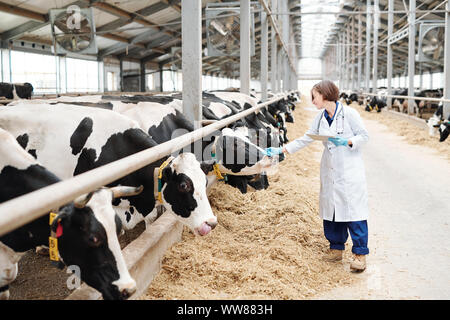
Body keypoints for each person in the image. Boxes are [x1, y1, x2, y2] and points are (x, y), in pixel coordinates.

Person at [265, 80, 370, 272]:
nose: (312, 100)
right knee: (331, 210)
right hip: (329, 167)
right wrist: (283, 150)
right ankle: (336, 248)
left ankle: (360, 254)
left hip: (349, 169)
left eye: (314, 96)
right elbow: (307, 138)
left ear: (325, 94)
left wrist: (347, 141)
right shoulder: (320, 117)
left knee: (354, 212)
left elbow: (364, 136)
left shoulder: (349, 114)